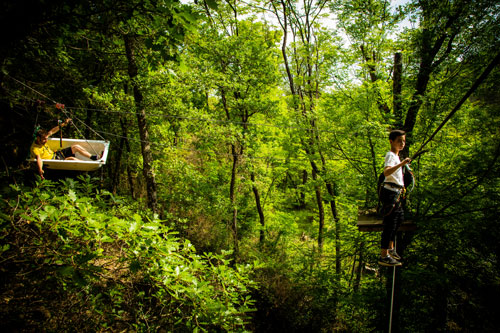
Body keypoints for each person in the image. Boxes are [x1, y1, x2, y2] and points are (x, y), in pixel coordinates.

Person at [378, 129, 411, 267]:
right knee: (390, 224)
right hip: (390, 193)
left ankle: (390, 248)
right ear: (391, 141)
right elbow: (386, 172)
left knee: (399, 220)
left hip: (396, 193)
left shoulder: (396, 157)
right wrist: (402, 164)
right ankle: (384, 255)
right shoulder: (391, 155)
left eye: (403, 141)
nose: (402, 144)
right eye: (399, 141)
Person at [31, 119, 102, 179]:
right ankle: (88, 164)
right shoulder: (35, 148)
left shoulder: (43, 138)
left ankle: (94, 157)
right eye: (44, 140)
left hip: (57, 154)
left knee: (75, 146)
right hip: (54, 160)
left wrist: (64, 123)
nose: (46, 141)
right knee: (71, 159)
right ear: (38, 138)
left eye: (46, 139)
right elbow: (39, 159)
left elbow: (52, 131)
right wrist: (40, 169)